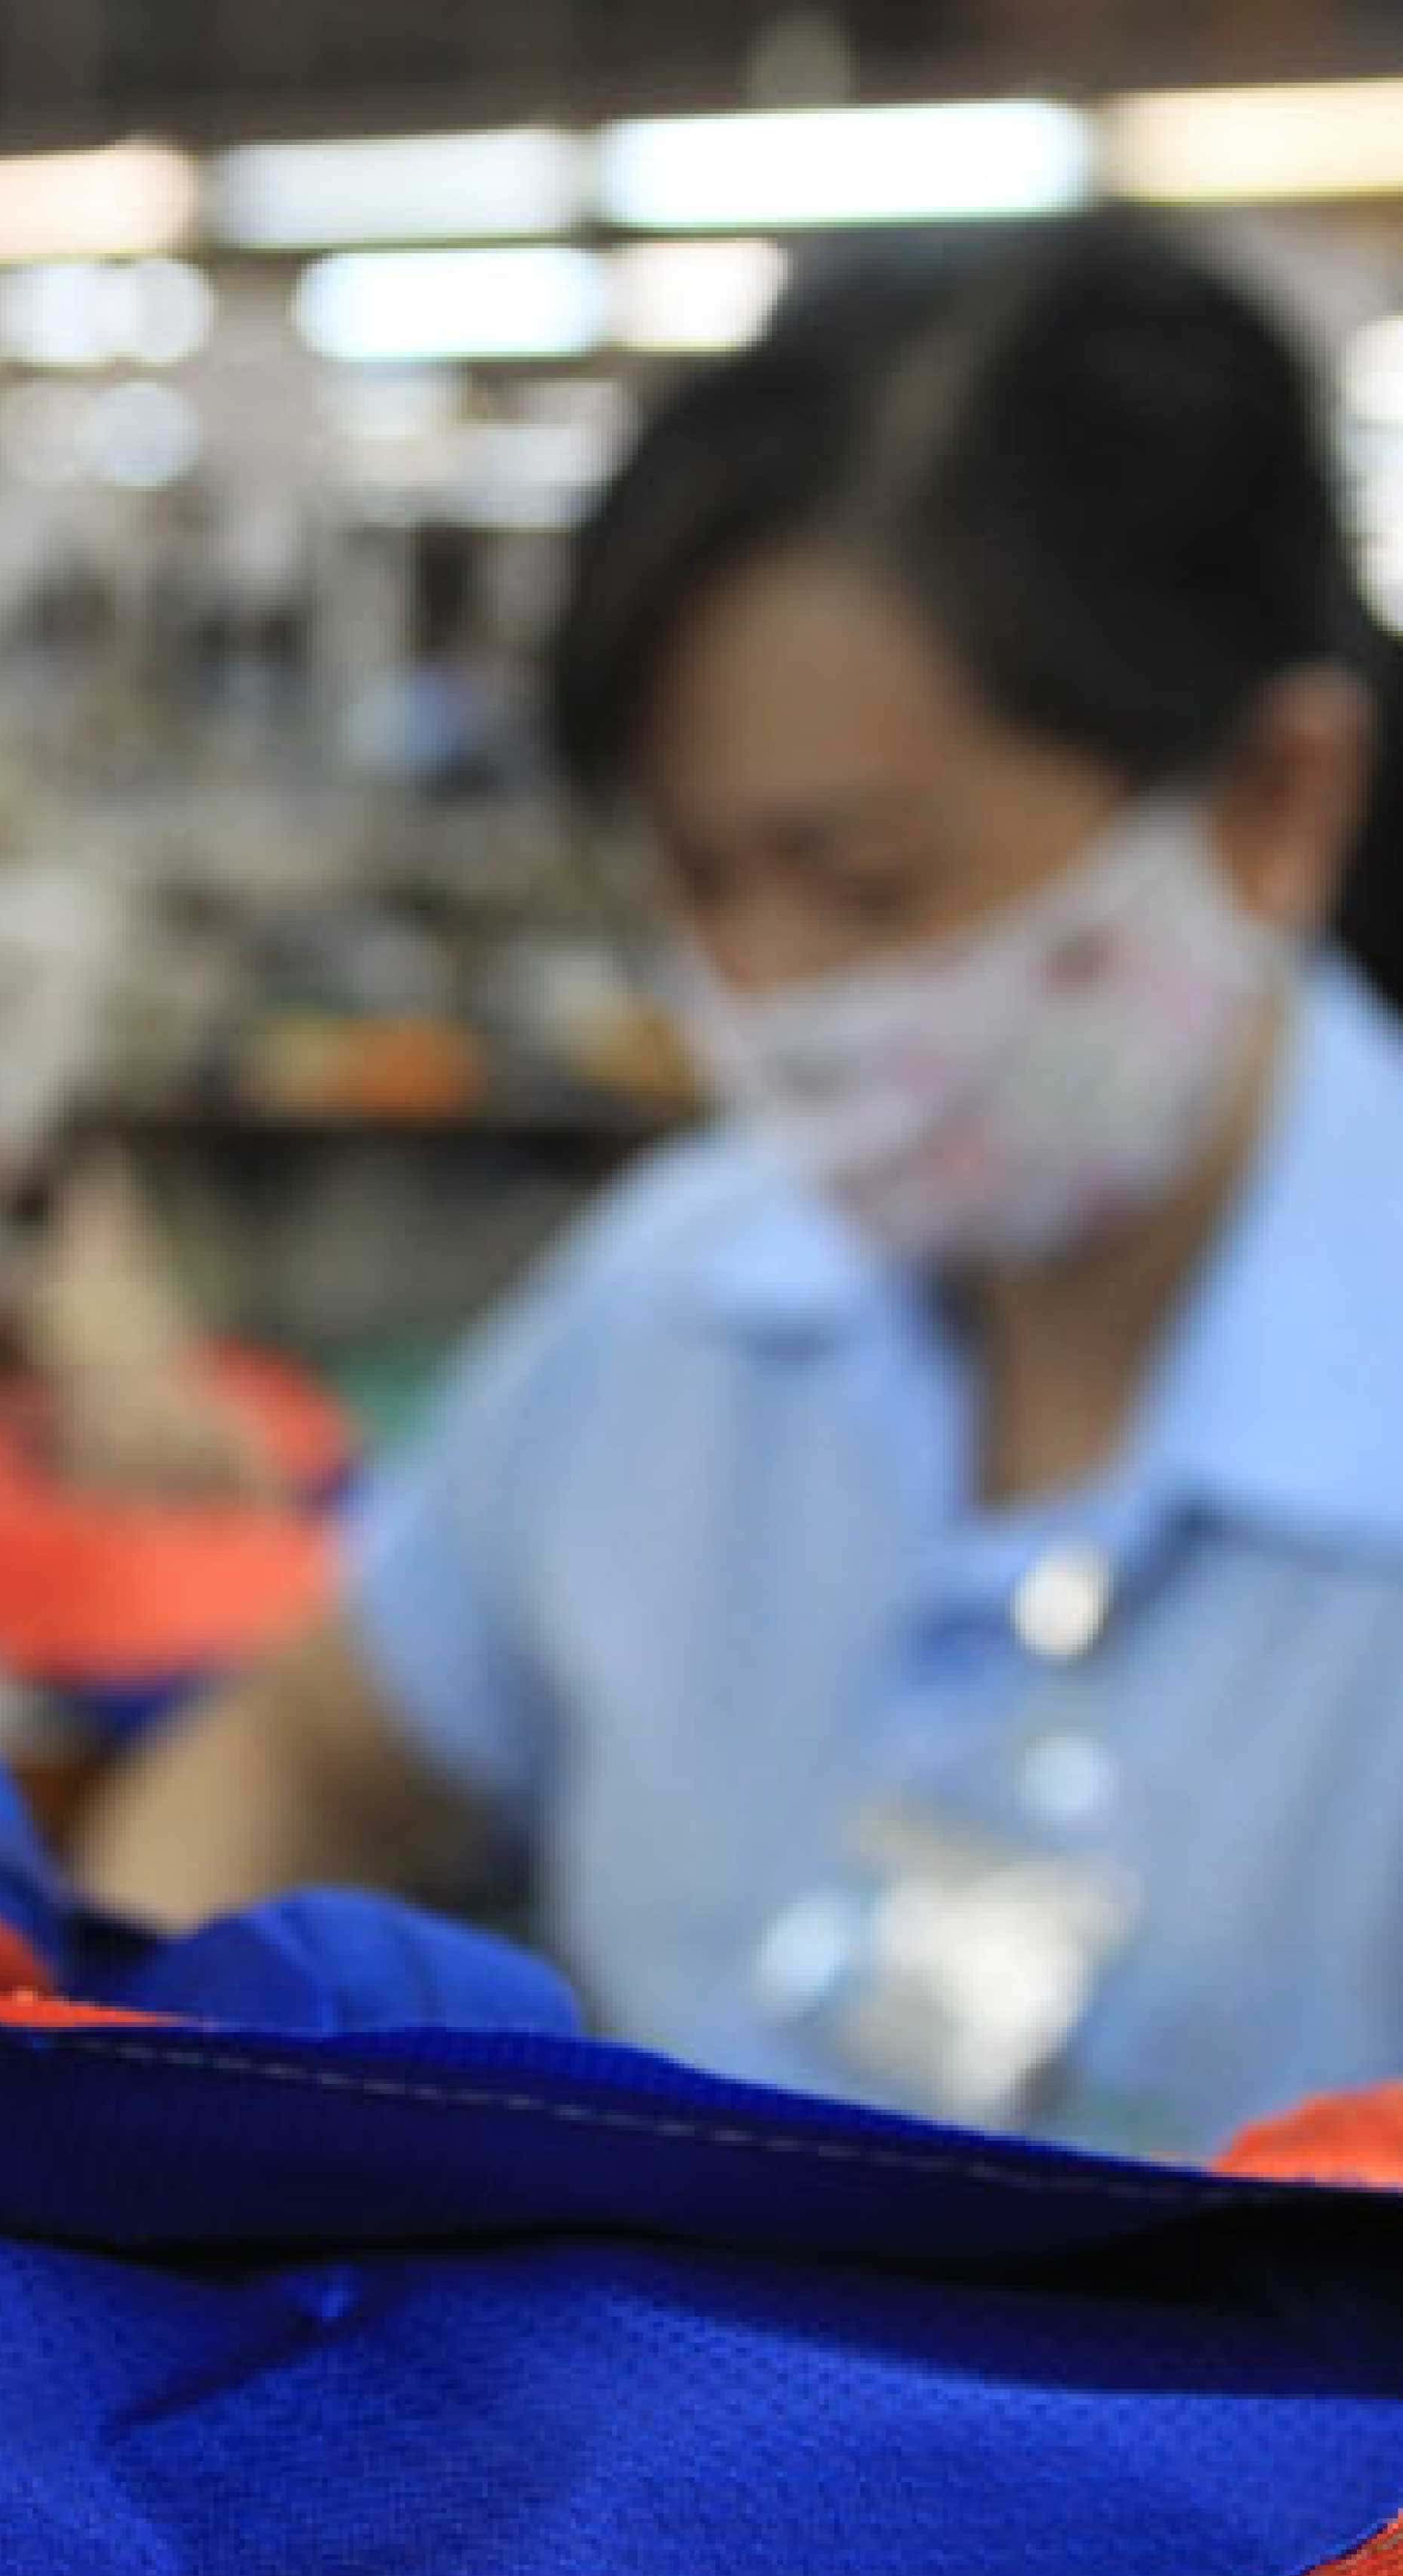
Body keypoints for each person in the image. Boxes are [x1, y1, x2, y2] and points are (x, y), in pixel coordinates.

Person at [83, 216, 1403, 2162]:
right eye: (700, 885)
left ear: (1275, 802)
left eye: (866, 883)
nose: (768, 998)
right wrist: (138, 2113)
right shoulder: (685, 1305)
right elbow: (292, 1756)